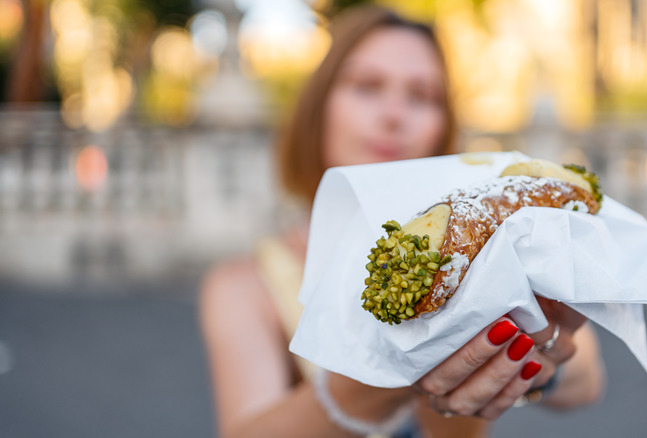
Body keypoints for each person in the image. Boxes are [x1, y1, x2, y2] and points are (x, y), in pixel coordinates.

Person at [199, 6, 604, 438]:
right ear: (320, 109)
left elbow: (588, 380)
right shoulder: (247, 285)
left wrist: (540, 358)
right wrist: (389, 369)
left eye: (421, 96)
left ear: (443, 125)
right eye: (366, 87)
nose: (394, 114)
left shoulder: (488, 251)